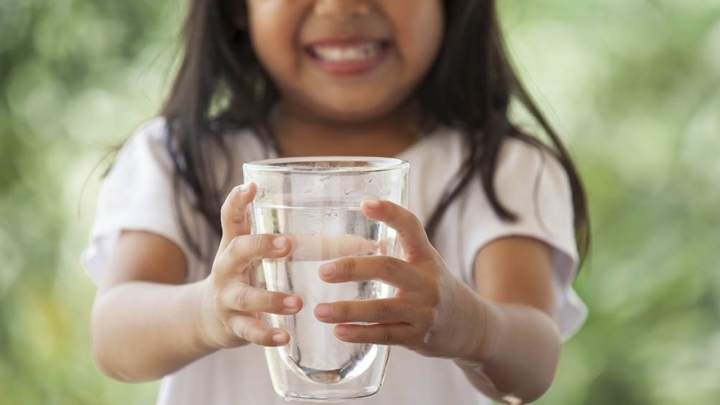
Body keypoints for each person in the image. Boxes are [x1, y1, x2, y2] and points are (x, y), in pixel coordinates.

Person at [82, 0, 590, 404]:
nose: (342, 6)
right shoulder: (176, 156)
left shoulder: (503, 167)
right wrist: (206, 311)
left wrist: (471, 326)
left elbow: (532, 366)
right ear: (237, 7)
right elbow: (113, 338)